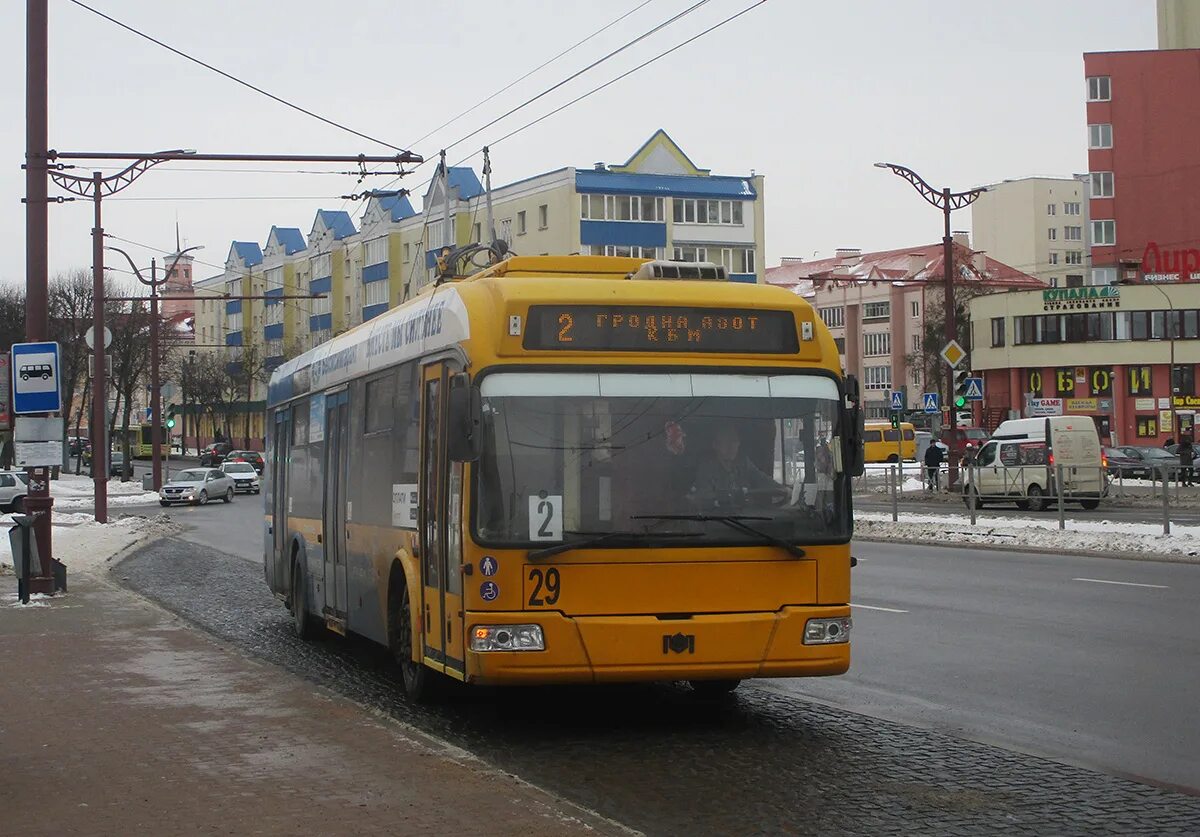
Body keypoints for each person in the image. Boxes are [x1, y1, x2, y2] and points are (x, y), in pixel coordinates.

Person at [691, 425, 785, 509]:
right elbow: (705, 497)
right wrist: (731, 496)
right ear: (715, 445)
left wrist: (783, 490)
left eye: (735, 441)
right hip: (719, 521)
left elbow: (762, 479)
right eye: (727, 441)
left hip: (748, 519)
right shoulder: (706, 468)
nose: (732, 446)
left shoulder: (743, 463)